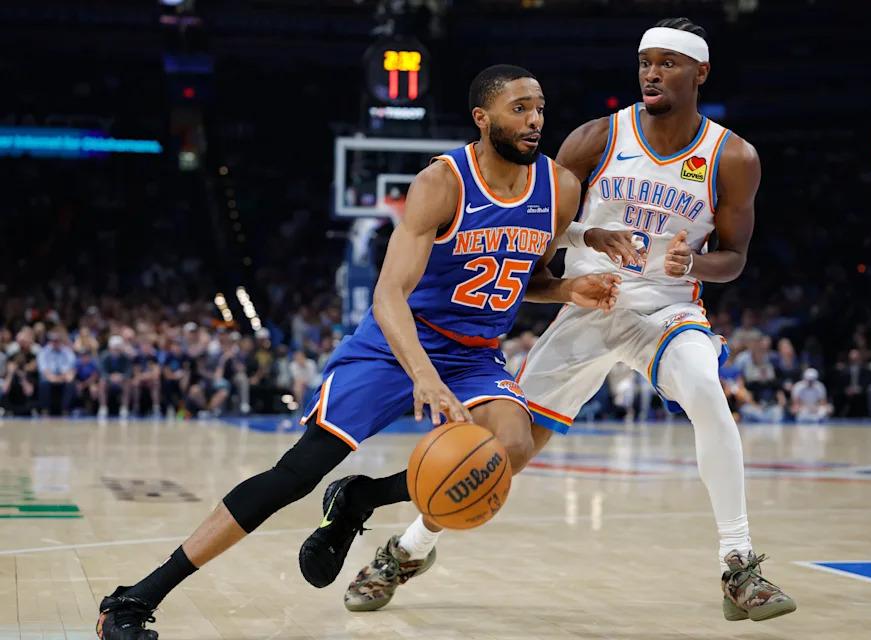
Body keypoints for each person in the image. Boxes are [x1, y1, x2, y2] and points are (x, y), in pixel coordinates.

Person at [95, 63, 621, 640]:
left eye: (539, 107)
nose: (535, 119)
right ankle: (133, 599)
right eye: (519, 108)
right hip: (397, 343)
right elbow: (388, 294)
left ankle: (360, 498)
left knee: (512, 448)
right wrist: (422, 375)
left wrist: (568, 289)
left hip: (473, 354)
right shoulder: (442, 183)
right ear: (482, 117)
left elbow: (529, 277)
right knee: (296, 474)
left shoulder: (560, 189)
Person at [340, 18, 796, 622]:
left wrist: (699, 263)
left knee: (709, 393)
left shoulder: (732, 156)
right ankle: (407, 550)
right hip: (587, 305)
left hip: (666, 311)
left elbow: (734, 258)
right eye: (645, 62)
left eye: (667, 63)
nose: (652, 73)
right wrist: (573, 266)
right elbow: (536, 225)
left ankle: (739, 565)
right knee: (503, 451)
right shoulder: (596, 139)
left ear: (700, 72)